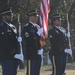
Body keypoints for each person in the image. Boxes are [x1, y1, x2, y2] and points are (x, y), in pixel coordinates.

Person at [0, 8, 23, 75]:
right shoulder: (2, 27)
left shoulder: (12, 26)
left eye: (11, 15)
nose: (11, 16)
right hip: (7, 56)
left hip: (14, 57)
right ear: (3, 16)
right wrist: (13, 53)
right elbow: (4, 43)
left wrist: (18, 39)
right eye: (9, 15)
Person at [22, 10, 43, 75]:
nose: (36, 18)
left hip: (38, 53)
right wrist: (37, 34)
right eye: (34, 16)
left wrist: (41, 48)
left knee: (37, 72)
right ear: (30, 17)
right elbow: (28, 41)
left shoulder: (38, 27)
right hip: (31, 53)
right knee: (31, 72)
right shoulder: (26, 27)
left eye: (37, 16)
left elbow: (40, 40)